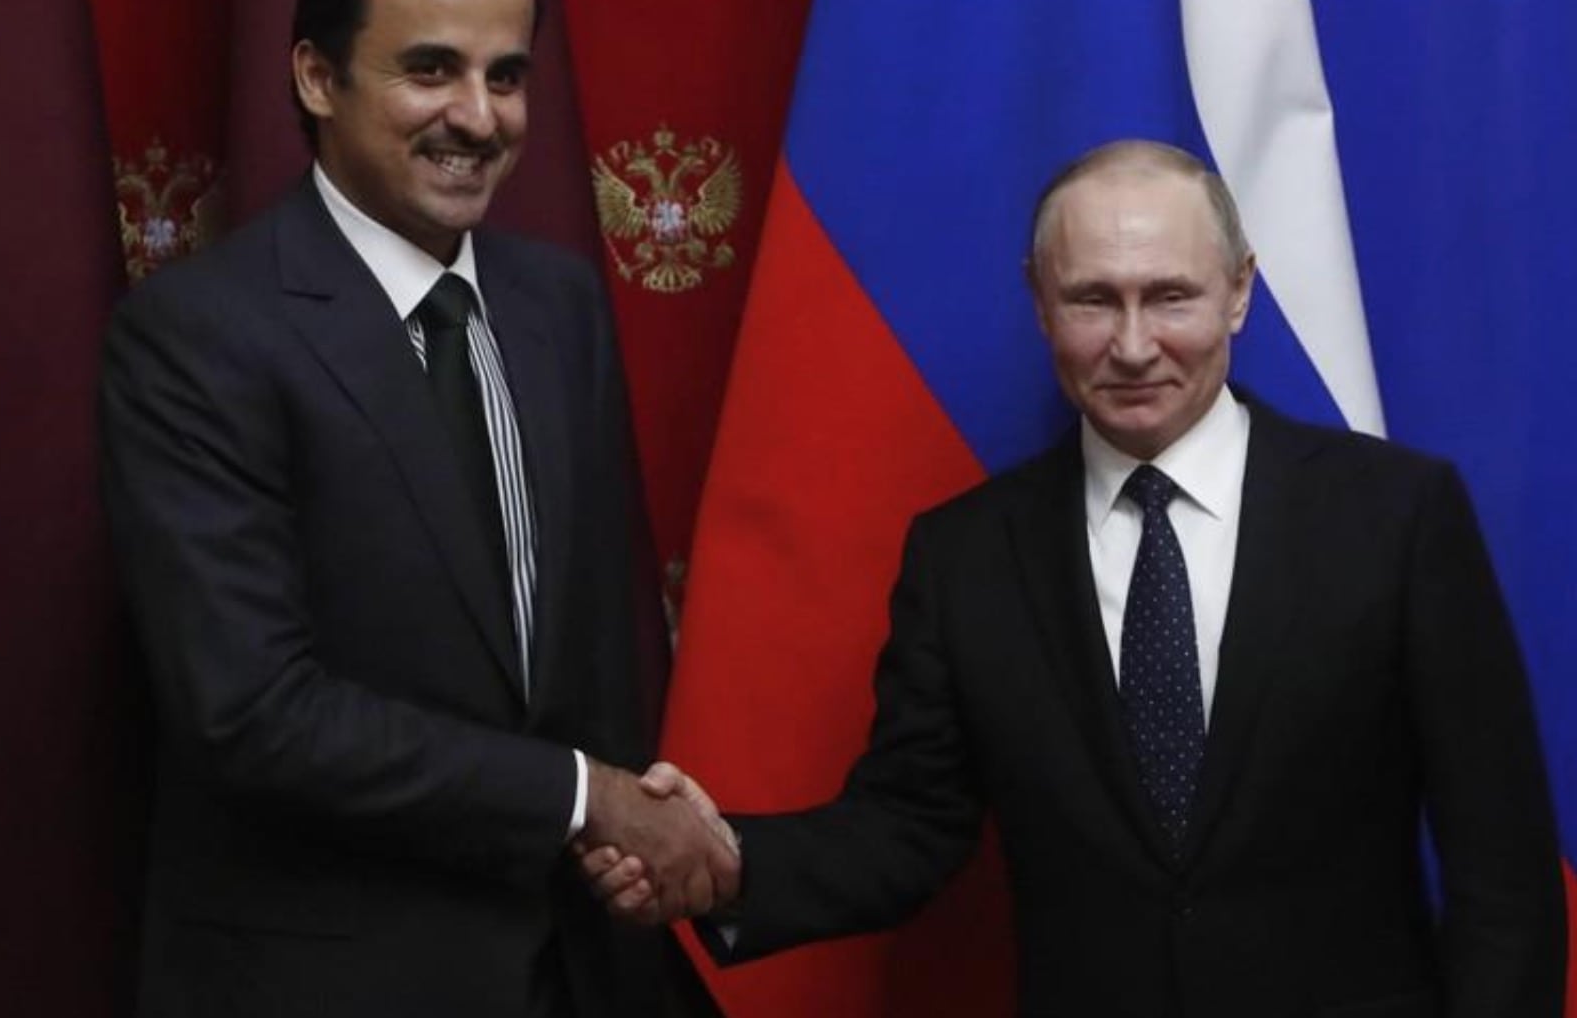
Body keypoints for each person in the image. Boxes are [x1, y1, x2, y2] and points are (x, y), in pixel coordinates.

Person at [586, 139, 1566, 1016]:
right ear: (1038, 300)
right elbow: (906, 827)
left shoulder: (1394, 515)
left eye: (1169, 295)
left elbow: (1502, 872)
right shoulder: (965, 555)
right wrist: (724, 863)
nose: (1133, 344)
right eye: (1092, 298)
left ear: (1238, 290)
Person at [99, 0, 735, 1018]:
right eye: (430, 70)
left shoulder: (559, 305)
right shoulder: (200, 336)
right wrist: (586, 798)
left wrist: (630, 829)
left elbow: (588, 648)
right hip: (320, 979)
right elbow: (252, 711)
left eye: (505, 75)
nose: (477, 117)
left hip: (571, 965)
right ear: (314, 76)